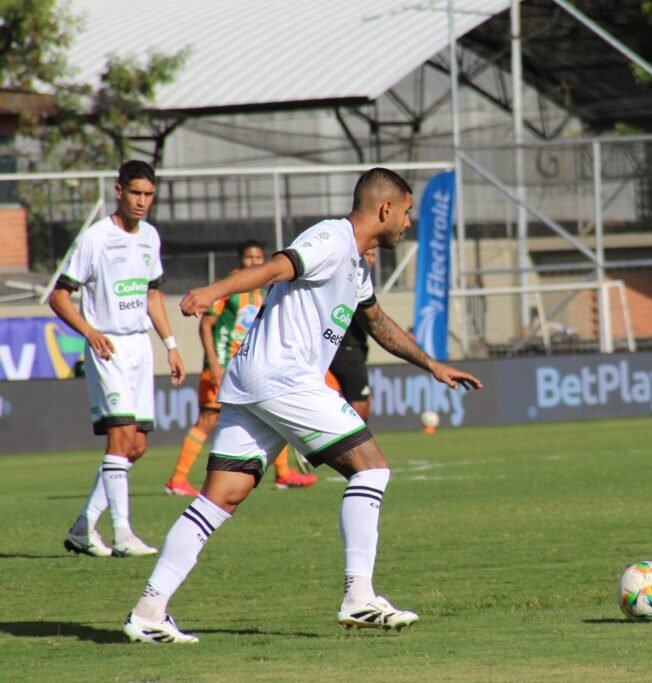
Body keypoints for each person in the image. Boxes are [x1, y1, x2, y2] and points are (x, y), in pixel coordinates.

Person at [123, 167, 483, 644]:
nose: (408, 222)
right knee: (371, 468)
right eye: (407, 212)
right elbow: (277, 267)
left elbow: (378, 323)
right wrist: (213, 291)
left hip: (254, 380)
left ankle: (148, 610)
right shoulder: (332, 238)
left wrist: (431, 364)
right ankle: (359, 596)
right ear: (385, 208)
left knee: (220, 497)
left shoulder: (356, 266)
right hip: (284, 377)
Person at [50, 159, 186, 558]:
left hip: (140, 347)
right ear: (119, 191)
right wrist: (90, 332)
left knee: (136, 446)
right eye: (136, 193)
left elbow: (152, 294)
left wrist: (171, 344)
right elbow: (59, 297)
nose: (142, 201)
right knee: (121, 438)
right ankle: (123, 535)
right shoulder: (95, 238)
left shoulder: (150, 237)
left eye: (149, 195)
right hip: (107, 347)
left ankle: (82, 528)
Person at [165, 240, 317, 495]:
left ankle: (283, 474)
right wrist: (214, 363)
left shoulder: (260, 290)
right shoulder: (230, 286)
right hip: (223, 365)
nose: (254, 262)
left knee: (271, 414)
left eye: (258, 258)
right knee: (208, 420)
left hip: (248, 367)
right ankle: (177, 479)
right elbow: (206, 326)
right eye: (249, 257)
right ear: (240, 260)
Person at [325, 248, 376, 421]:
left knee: (355, 403)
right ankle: (354, 438)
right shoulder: (349, 278)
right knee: (361, 406)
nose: (370, 259)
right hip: (346, 350)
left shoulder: (364, 280)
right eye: (367, 255)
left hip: (354, 349)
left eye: (373, 255)